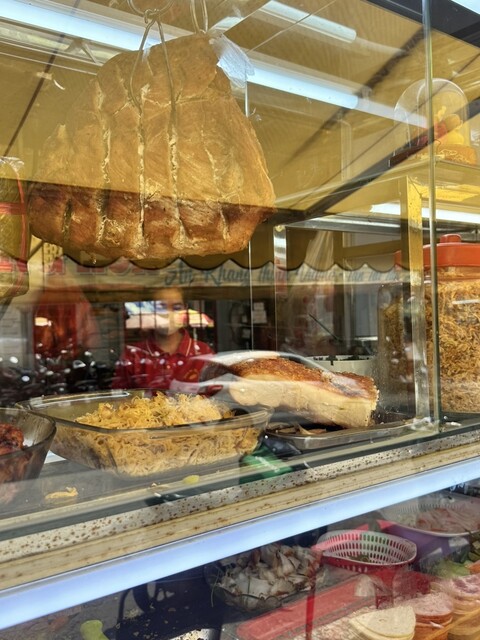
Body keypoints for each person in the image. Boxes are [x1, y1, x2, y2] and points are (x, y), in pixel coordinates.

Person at [112, 287, 214, 390]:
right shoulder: (133, 355)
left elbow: (215, 394)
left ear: (185, 309)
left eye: (177, 307)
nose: (168, 314)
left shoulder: (203, 352)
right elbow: (120, 396)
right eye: (161, 307)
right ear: (150, 310)